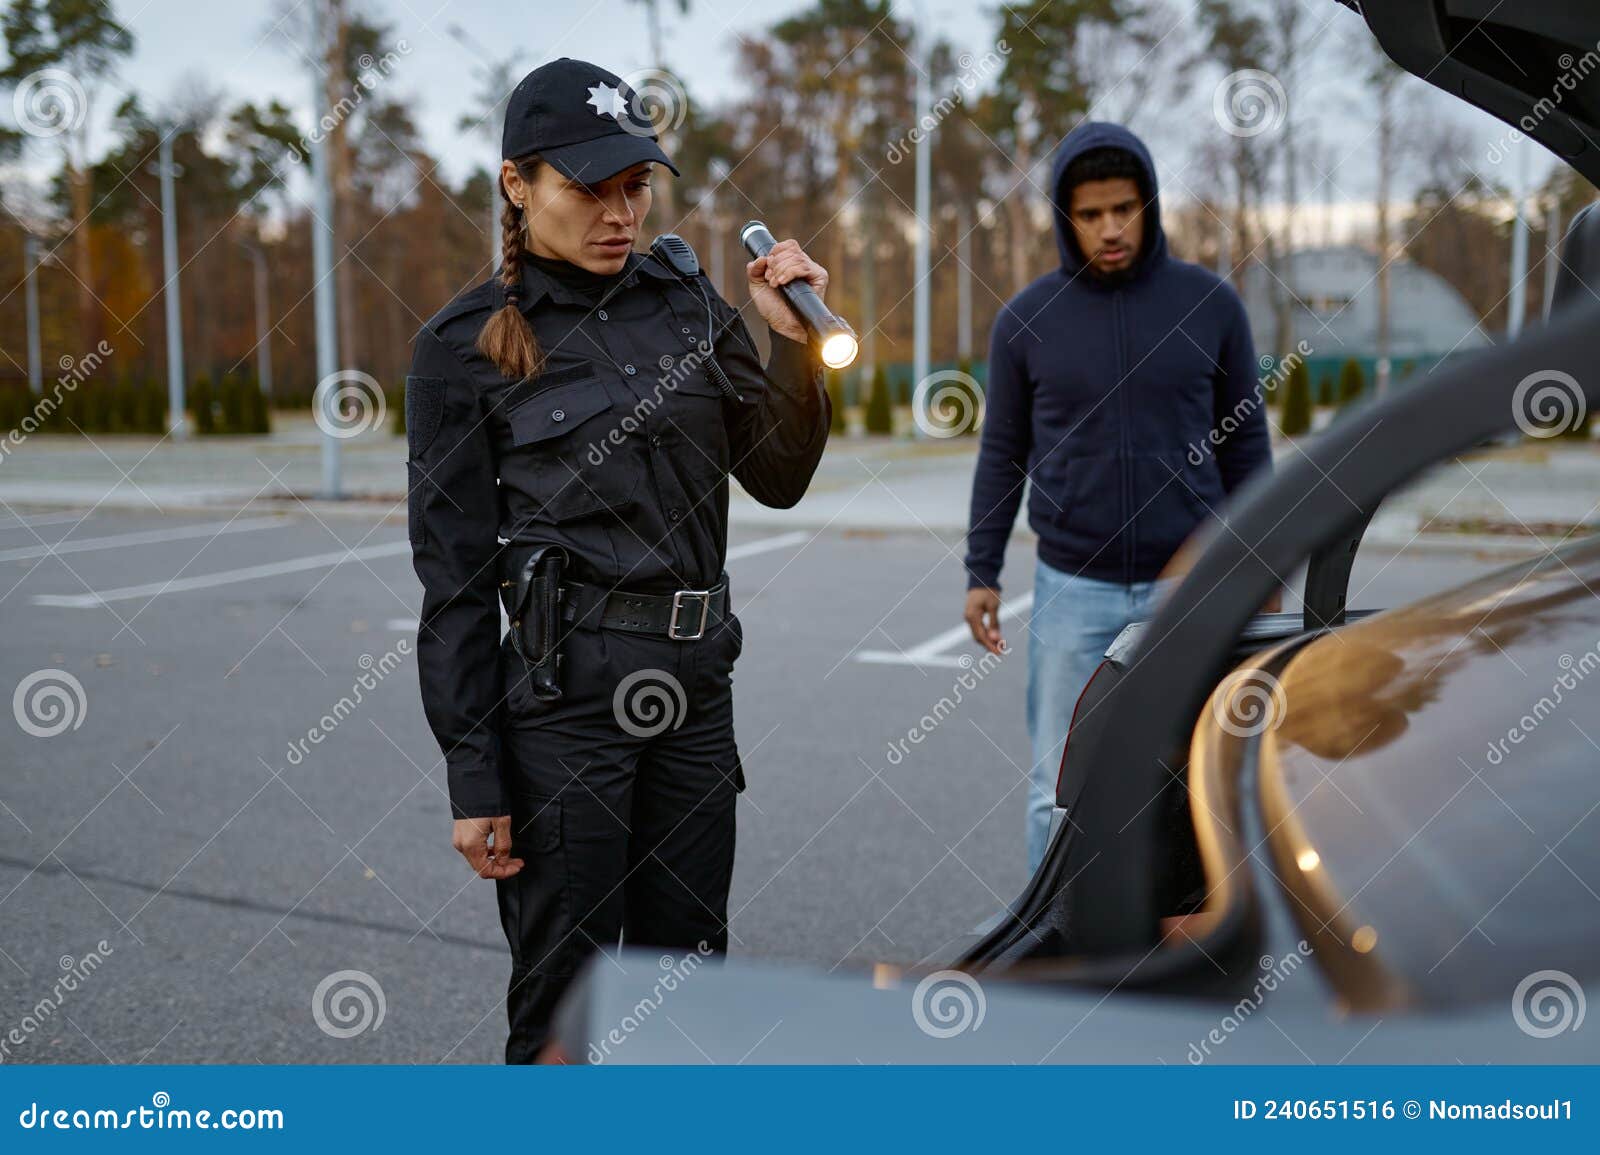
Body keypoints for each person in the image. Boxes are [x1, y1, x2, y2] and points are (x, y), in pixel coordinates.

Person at [405, 57, 832, 1063]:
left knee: (689, 988)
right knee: (568, 1000)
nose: (618, 213)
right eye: (587, 189)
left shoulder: (684, 302)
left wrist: (795, 351)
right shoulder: (462, 344)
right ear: (518, 184)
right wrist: (475, 777)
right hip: (566, 707)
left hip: (694, 691)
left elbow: (776, 475)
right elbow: (454, 580)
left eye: (634, 187)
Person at [962, 121, 1274, 875]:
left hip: (1192, 587)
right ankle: (1051, 959)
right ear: (1067, 218)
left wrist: (1263, 562)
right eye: (1092, 213)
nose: (1111, 228)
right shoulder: (1026, 322)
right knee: (1058, 790)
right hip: (1074, 590)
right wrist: (982, 569)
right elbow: (1002, 453)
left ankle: (1200, 945)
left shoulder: (1211, 306)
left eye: (1125, 209)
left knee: (1205, 778)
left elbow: (1248, 447)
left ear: (1150, 205)